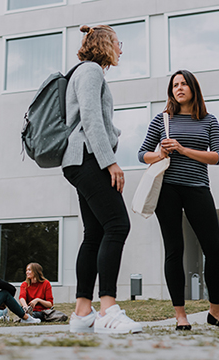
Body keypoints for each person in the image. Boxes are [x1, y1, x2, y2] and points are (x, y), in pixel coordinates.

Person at [138, 70, 219, 331]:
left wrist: (182, 149)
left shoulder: (208, 120)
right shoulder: (162, 120)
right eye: (174, 85)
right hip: (167, 189)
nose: (179, 88)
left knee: (213, 249)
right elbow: (142, 154)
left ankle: (215, 311)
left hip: (198, 188)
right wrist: (159, 153)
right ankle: (180, 315)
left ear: (193, 87)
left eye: (183, 84)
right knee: (174, 249)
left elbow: (218, 156)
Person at [61, 24, 142, 334]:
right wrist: (111, 163)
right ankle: (108, 309)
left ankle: (83, 314)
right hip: (88, 159)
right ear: (107, 44)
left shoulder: (84, 72)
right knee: (118, 225)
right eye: (119, 43)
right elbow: (91, 119)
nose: (121, 49)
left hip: (78, 160)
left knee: (94, 233)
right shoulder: (91, 71)